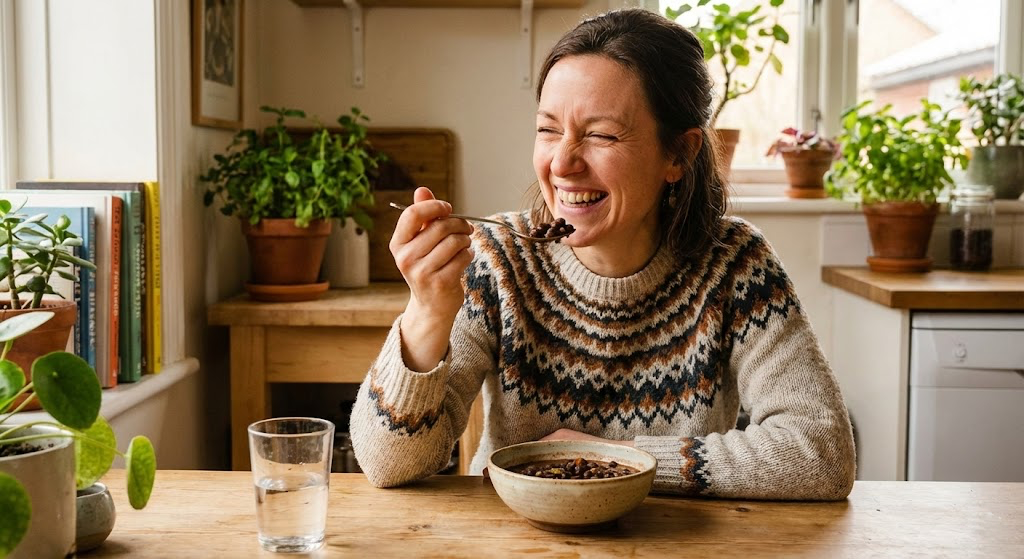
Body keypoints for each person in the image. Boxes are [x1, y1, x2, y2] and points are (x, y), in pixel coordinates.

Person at [350, 8, 855, 500]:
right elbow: (388, 465)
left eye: (601, 135)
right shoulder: (498, 258)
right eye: (548, 130)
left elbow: (822, 451)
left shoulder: (734, 264)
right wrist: (427, 312)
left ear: (678, 154)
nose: (562, 163)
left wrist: (616, 459)